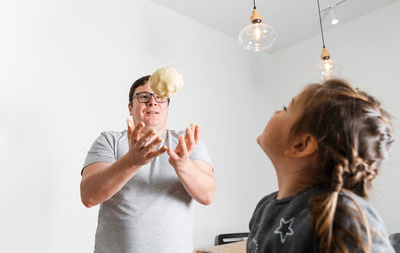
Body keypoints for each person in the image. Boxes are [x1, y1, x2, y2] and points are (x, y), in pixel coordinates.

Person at [247, 79, 395, 253]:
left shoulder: (342, 215)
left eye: (286, 108)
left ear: (302, 145)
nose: (277, 111)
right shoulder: (264, 206)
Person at [80, 75, 216, 253]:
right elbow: (89, 196)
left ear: (167, 107)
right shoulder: (109, 140)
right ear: (130, 107)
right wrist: (131, 162)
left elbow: (207, 195)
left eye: (160, 96)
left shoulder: (188, 143)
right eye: (143, 96)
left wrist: (183, 165)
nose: (152, 102)